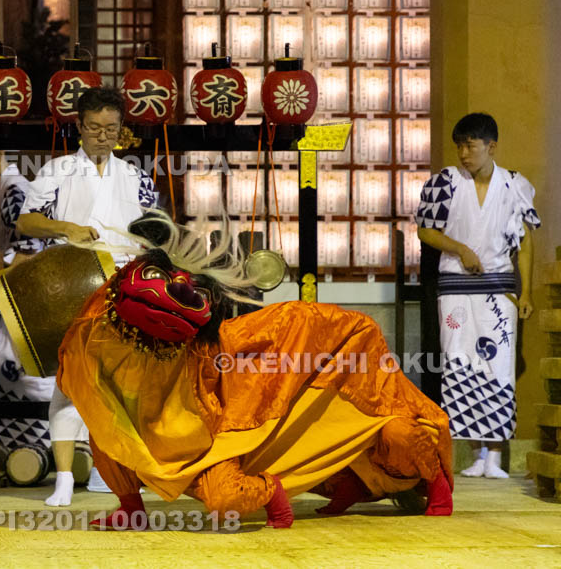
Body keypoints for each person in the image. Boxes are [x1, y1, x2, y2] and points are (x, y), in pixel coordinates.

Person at [54, 212, 452, 530]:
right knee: (104, 427)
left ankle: (428, 485)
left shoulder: (205, 345)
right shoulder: (105, 318)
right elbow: (81, 344)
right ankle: (130, 507)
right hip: (155, 429)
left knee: (228, 499)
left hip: (204, 439)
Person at [15, 86, 159, 507]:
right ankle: (62, 478)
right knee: (69, 385)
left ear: (121, 130)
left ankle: (109, 471)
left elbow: (152, 231)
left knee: (125, 385)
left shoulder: (134, 176)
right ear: (78, 127)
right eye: (93, 127)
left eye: (111, 128)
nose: (102, 135)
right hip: (70, 286)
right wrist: (65, 228)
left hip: (123, 287)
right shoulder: (57, 170)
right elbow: (25, 222)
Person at [416, 112, 540, 479]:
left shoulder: (514, 185)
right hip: (455, 288)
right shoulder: (444, 183)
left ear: (491, 146)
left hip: (499, 287)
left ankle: (496, 455)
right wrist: (460, 249)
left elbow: (526, 242)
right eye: (459, 145)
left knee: (498, 368)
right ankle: (475, 453)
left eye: (470, 145)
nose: (463, 152)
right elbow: (426, 231)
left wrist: (527, 291)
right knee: (459, 366)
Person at [0, 151, 52, 450]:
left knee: (18, 371)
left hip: (27, 297)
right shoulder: (12, 189)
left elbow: (28, 250)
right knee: (11, 369)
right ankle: (17, 448)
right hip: (25, 295)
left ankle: (32, 447)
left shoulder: (16, 191)